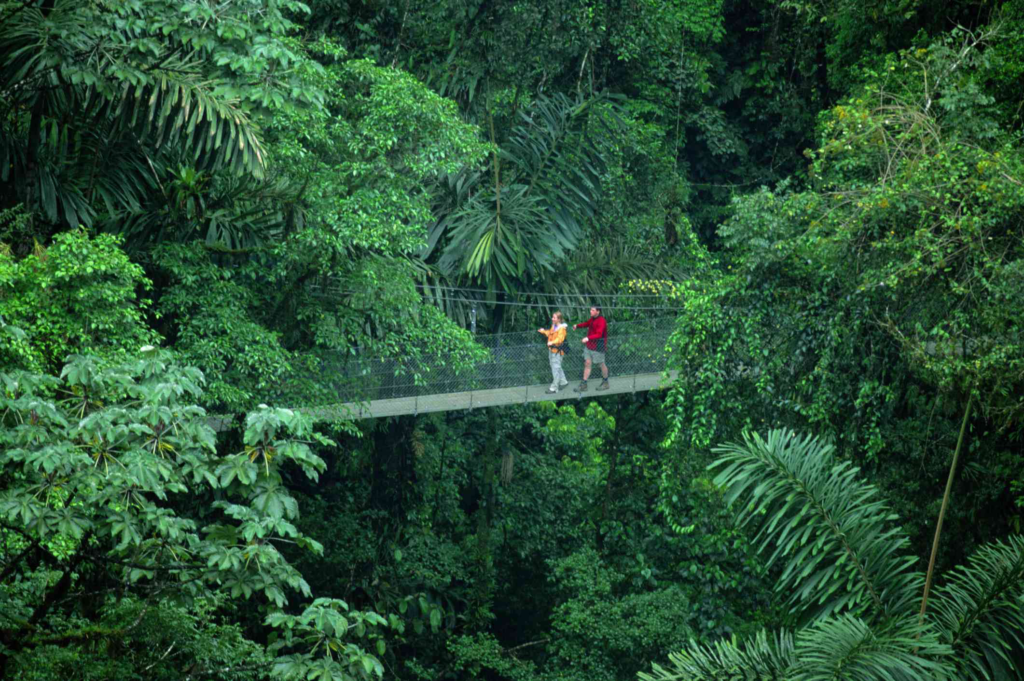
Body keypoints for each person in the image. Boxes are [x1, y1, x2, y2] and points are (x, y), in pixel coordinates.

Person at [573, 306, 609, 391]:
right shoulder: (592, 318)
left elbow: (599, 334)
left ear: (598, 311)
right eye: (590, 310)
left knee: (601, 364)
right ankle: (584, 384)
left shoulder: (602, 321)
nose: (590, 311)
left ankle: (606, 382)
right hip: (589, 346)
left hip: (598, 347)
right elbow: (586, 324)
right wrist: (577, 326)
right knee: (587, 363)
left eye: (593, 310)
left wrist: (588, 338)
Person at [538, 311, 570, 393]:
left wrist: (552, 342)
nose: (552, 319)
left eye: (554, 317)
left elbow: (560, 339)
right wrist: (543, 331)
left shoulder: (562, 329)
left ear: (559, 319)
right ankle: (563, 382)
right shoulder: (554, 326)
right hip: (552, 350)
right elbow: (550, 333)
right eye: (553, 317)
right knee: (556, 366)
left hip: (557, 351)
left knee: (555, 368)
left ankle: (554, 388)